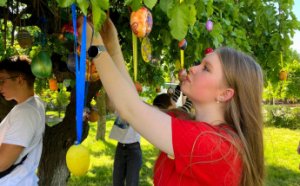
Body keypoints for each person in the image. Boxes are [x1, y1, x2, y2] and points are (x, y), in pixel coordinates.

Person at [78, 18, 264, 186]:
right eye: (200, 62)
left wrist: (95, 46)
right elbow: (133, 104)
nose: (192, 68)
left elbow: (131, 109)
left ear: (225, 94)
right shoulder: (189, 125)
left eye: (206, 68)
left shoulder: (216, 147)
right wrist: (112, 45)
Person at [0, 56, 45, 186]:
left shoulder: (26, 112)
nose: (0, 86)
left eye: (2, 80)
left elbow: (2, 162)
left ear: (20, 80)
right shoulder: (33, 103)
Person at [109, 114, 142, 186]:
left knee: (132, 183)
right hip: (120, 147)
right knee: (117, 182)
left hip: (134, 149)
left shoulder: (140, 105)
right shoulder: (122, 105)